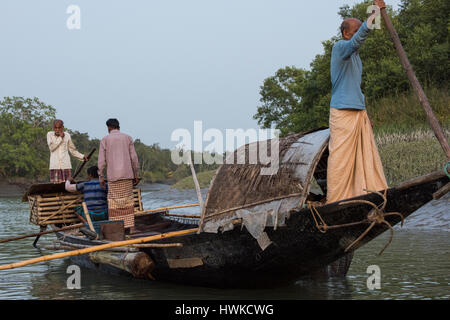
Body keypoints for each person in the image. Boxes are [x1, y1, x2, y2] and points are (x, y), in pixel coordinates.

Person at [326, 0, 388, 204]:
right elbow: (359, 38)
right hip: (342, 112)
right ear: (346, 34)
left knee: (365, 158)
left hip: (357, 111)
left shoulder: (355, 57)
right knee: (340, 159)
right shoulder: (341, 48)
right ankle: (335, 200)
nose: (358, 35)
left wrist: (365, 113)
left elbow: (355, 87)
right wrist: (374, 12)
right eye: (355, 30)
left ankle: (366, 194)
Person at [98, 118, 140, 233]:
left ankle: (116, 230)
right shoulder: (127, 138)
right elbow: (134, 159)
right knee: (128, 201)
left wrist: (101, 177)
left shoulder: (105, 139)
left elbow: (101, 162)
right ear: (118, 127)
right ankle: (131, 228)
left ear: (109, 128)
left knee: (113, 202)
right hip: (127, 176)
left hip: (113, 177)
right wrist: (136, 174)